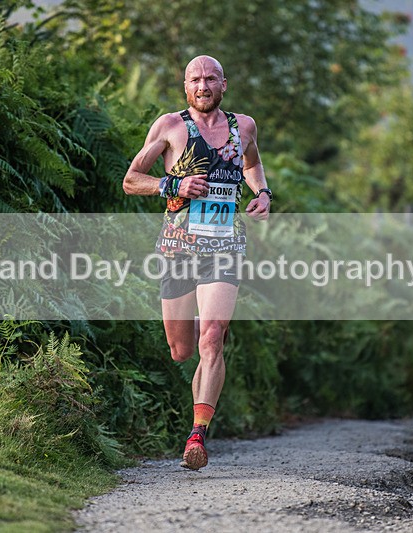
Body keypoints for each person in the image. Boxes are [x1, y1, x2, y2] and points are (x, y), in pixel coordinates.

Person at [123, 55, 272, 470]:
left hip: (225, 247)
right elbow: (132, 179)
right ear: (185, 87)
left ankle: (197, 435)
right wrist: (174, 183)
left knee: (212, 337)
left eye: (210, 78)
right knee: (181, 349)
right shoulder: (170, 127)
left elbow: (253, 164)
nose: (203, 85)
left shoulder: (244, 126)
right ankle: (193, 394)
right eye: (195, 80)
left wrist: (262, 194)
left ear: (224, 84)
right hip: (178, 248)